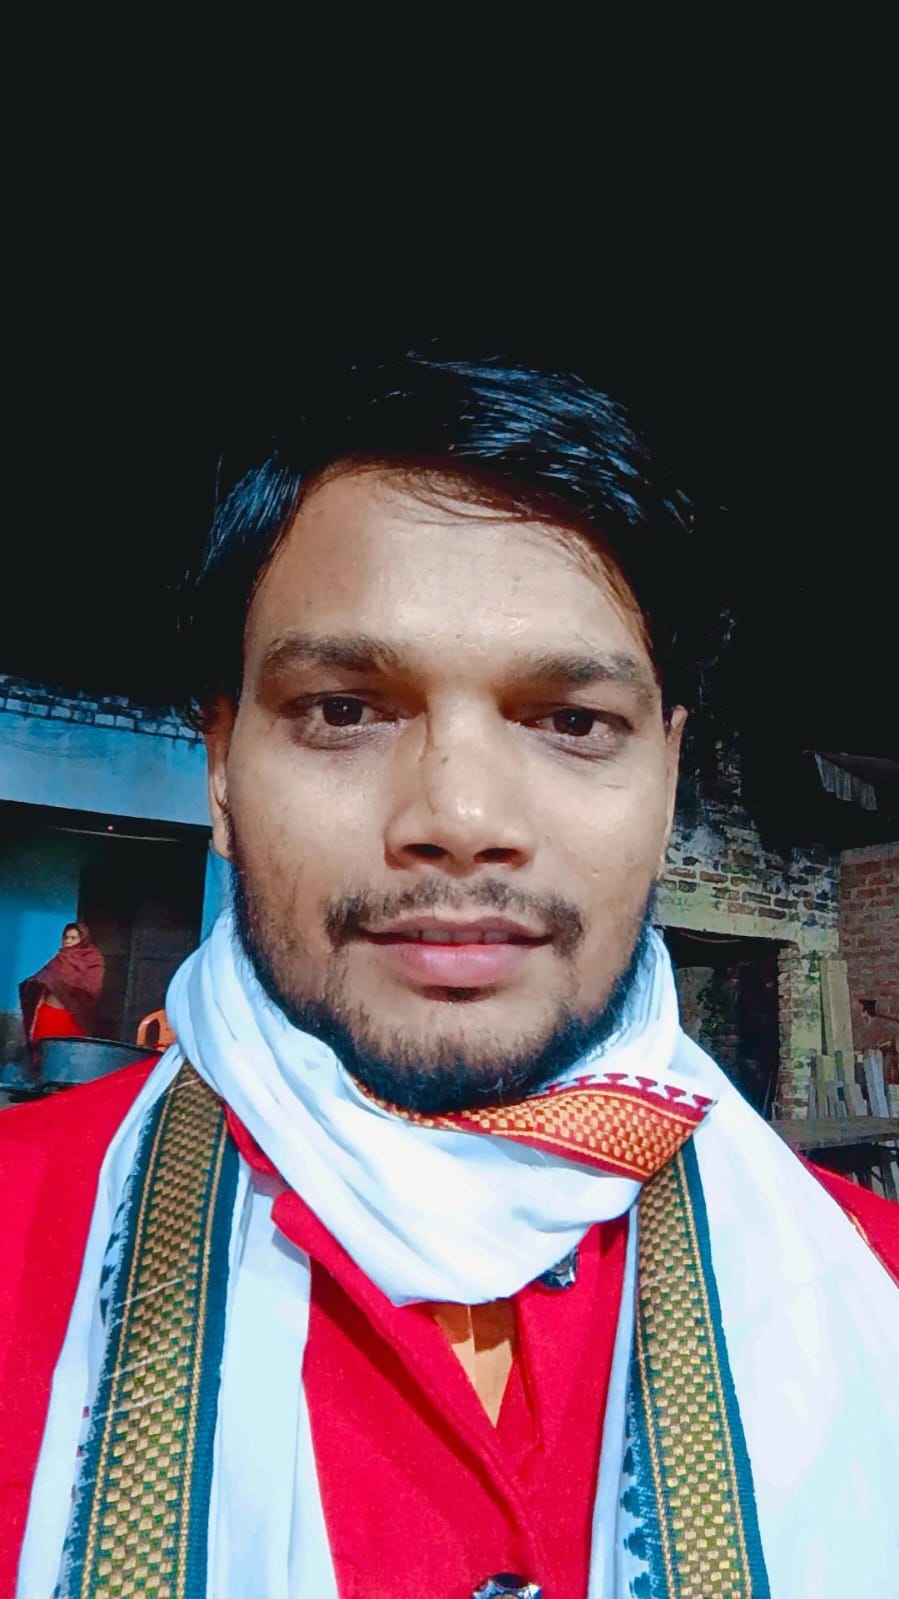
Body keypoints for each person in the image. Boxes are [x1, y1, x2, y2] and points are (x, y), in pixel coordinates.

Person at [2, 357, 897, 1599]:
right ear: (220, 765)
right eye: (343, 710)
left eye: (571, 721)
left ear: (665, 778)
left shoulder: (869, 1284)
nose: (460, 819)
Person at [18, 921, 104, 1063]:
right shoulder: (58, 960)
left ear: (83, 939)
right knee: (44, 1057)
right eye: (66, 937)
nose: (68, 941)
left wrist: (70, 988)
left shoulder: (92, 960)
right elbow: (43, 984)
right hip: (48, 1014)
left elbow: (93, 988)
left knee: (68, 1059)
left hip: (73, 1017)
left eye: (73, 938)